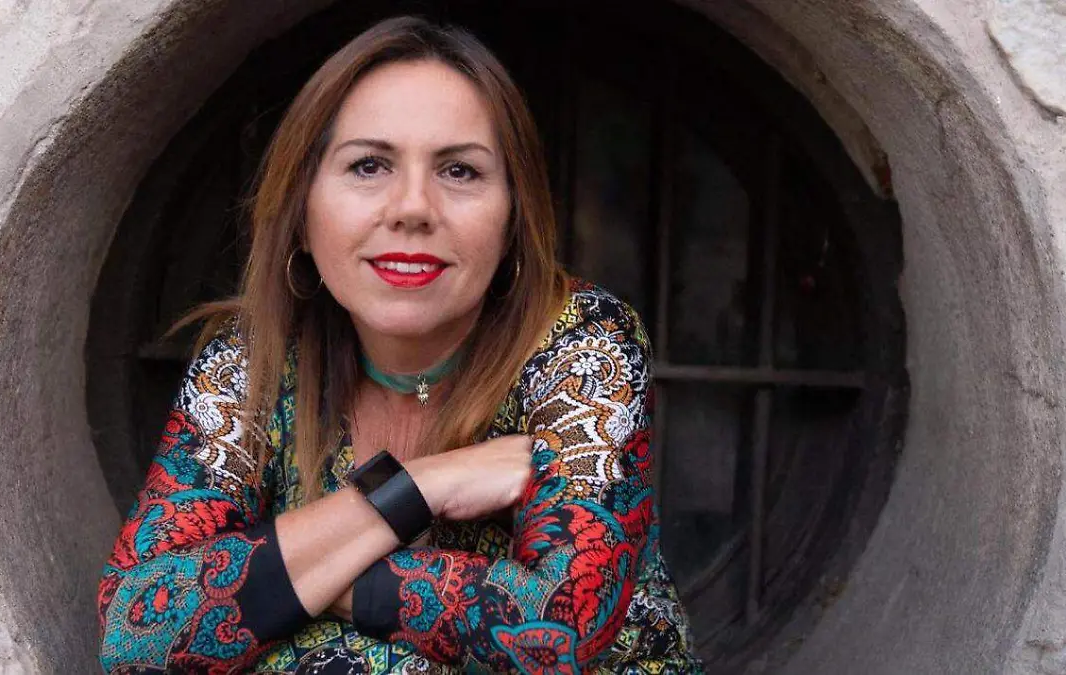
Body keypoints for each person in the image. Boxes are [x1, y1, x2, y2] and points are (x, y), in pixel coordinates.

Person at [96, 15, 702, 674]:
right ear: (300, 213)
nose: (413, 208)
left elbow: (557, 629)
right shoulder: (252, 358)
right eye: (369, 165)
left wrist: (287, 586)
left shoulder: (585, 344)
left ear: (513, 219)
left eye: (460, 171)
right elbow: (138, 631)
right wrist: (422, 485)